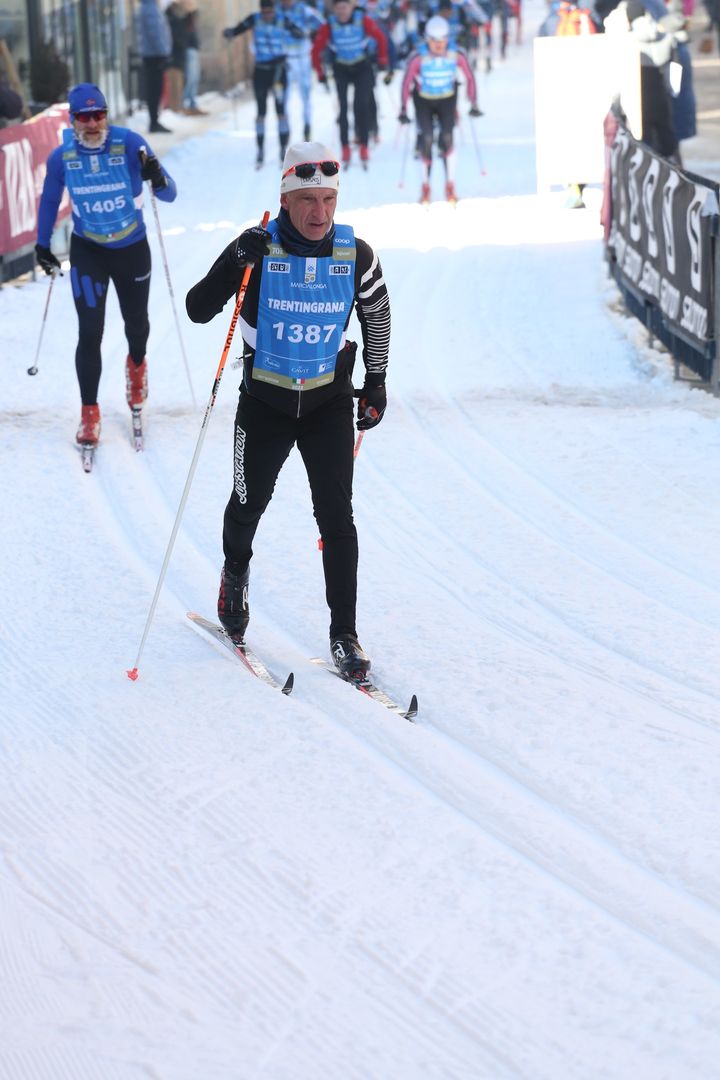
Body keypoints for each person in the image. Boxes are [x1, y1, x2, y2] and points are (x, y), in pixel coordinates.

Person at [185, 141, 391, 677]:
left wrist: (376, 383)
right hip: (265, 405)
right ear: (285, 198)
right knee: (248, 503)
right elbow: (198, 309)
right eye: (308, 201)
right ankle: (234, 578)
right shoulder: (257, 248)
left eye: (328, 199)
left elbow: (377, 313)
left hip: (326, 404)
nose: (320, 212)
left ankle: (344, 634)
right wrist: (235, 261)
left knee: (337, 518)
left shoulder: (356, 253)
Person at [34, 83, 177, 448]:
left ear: (107, 115)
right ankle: (89, 412)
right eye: (85, 117)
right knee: (90, 331)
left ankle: (137, 367)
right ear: (73, 120)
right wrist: (42, 244)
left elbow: (169, 194)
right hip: (89, 252)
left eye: (100, 115)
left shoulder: (130, 144)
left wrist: (157, 175)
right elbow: (49, 201)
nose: (94, 123)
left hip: (131, 249)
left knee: (136, 324)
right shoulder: (61, 158)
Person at [399, 14, 481, 203]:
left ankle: (450, 183)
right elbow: (406, 82)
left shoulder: (456, 54)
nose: (438, 45)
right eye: (434, 41)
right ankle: (425, 185)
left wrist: (473, 102)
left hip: (447, 100)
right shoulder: (418, 56)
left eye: (443, 40)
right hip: (424, 100)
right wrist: (403, 109)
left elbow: (469, 76)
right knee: (426, 139)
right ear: (427, 39)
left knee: (447, 137)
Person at [311, 0, 391, 167]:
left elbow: (381, 38)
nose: (342, 11)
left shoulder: (363, 20)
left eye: (345, 7)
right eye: (338, 8)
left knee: (361, 105)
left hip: (362, 66)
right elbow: (316, 49)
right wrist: (320, 72)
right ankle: (345, 147)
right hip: (341, 68)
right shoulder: (329, 25)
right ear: (334, 9)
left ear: (351, 7)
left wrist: (383, 59)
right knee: (342, 109)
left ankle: (363, 145)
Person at [223, 0, 293, 166]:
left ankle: (283, 149)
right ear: (261, 11)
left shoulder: (284, 19)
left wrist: (304, 34)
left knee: (281, 110)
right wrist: (230, 32)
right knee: (261, 112)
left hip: (278, 71)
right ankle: (260, 149)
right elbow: (239, 29)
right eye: (264, 12)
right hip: (261, 71)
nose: (267, 15)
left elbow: (298, 31)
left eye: (270, 12)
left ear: (274, 10)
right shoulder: (254, 18)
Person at [279, 0, 326, 141]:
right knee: (283, 97)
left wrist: (307, 31)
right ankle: (285, 129)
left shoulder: (304, 9)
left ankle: (307, 126)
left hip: (302, 57)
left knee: (305, 95)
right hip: (285, 59)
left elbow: (322, 23)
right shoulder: (277, 11)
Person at [137, 0, 173, 133]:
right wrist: (163, 52)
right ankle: (154, 122)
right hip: (154, 56)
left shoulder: (148, 7)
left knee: (155, 90)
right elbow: (155, 33)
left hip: (153, 54)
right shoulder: (150, 8)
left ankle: (155, 121)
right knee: (154, 90)